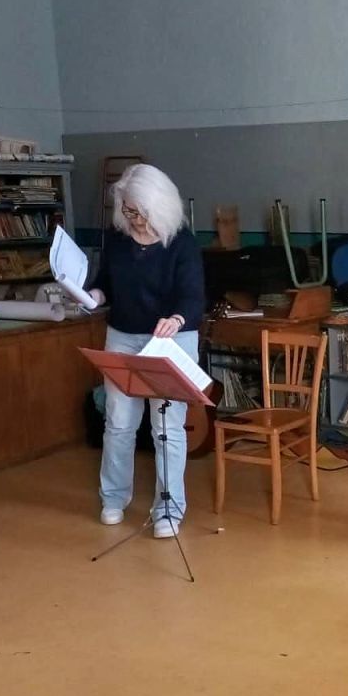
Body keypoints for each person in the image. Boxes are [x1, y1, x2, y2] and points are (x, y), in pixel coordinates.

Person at [86, 163, 204, 539]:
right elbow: (105, 282)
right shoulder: (118, 238)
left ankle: (169, 509)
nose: (134, 219)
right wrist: (93, 295)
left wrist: (177, 318)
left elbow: (193, 296)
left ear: (160, 206)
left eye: (140, 212)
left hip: (170, 340)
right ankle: (113, 498)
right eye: (128, 210)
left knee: (166, 428)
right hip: (122, 336)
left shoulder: (182, 242)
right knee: (119, 422)